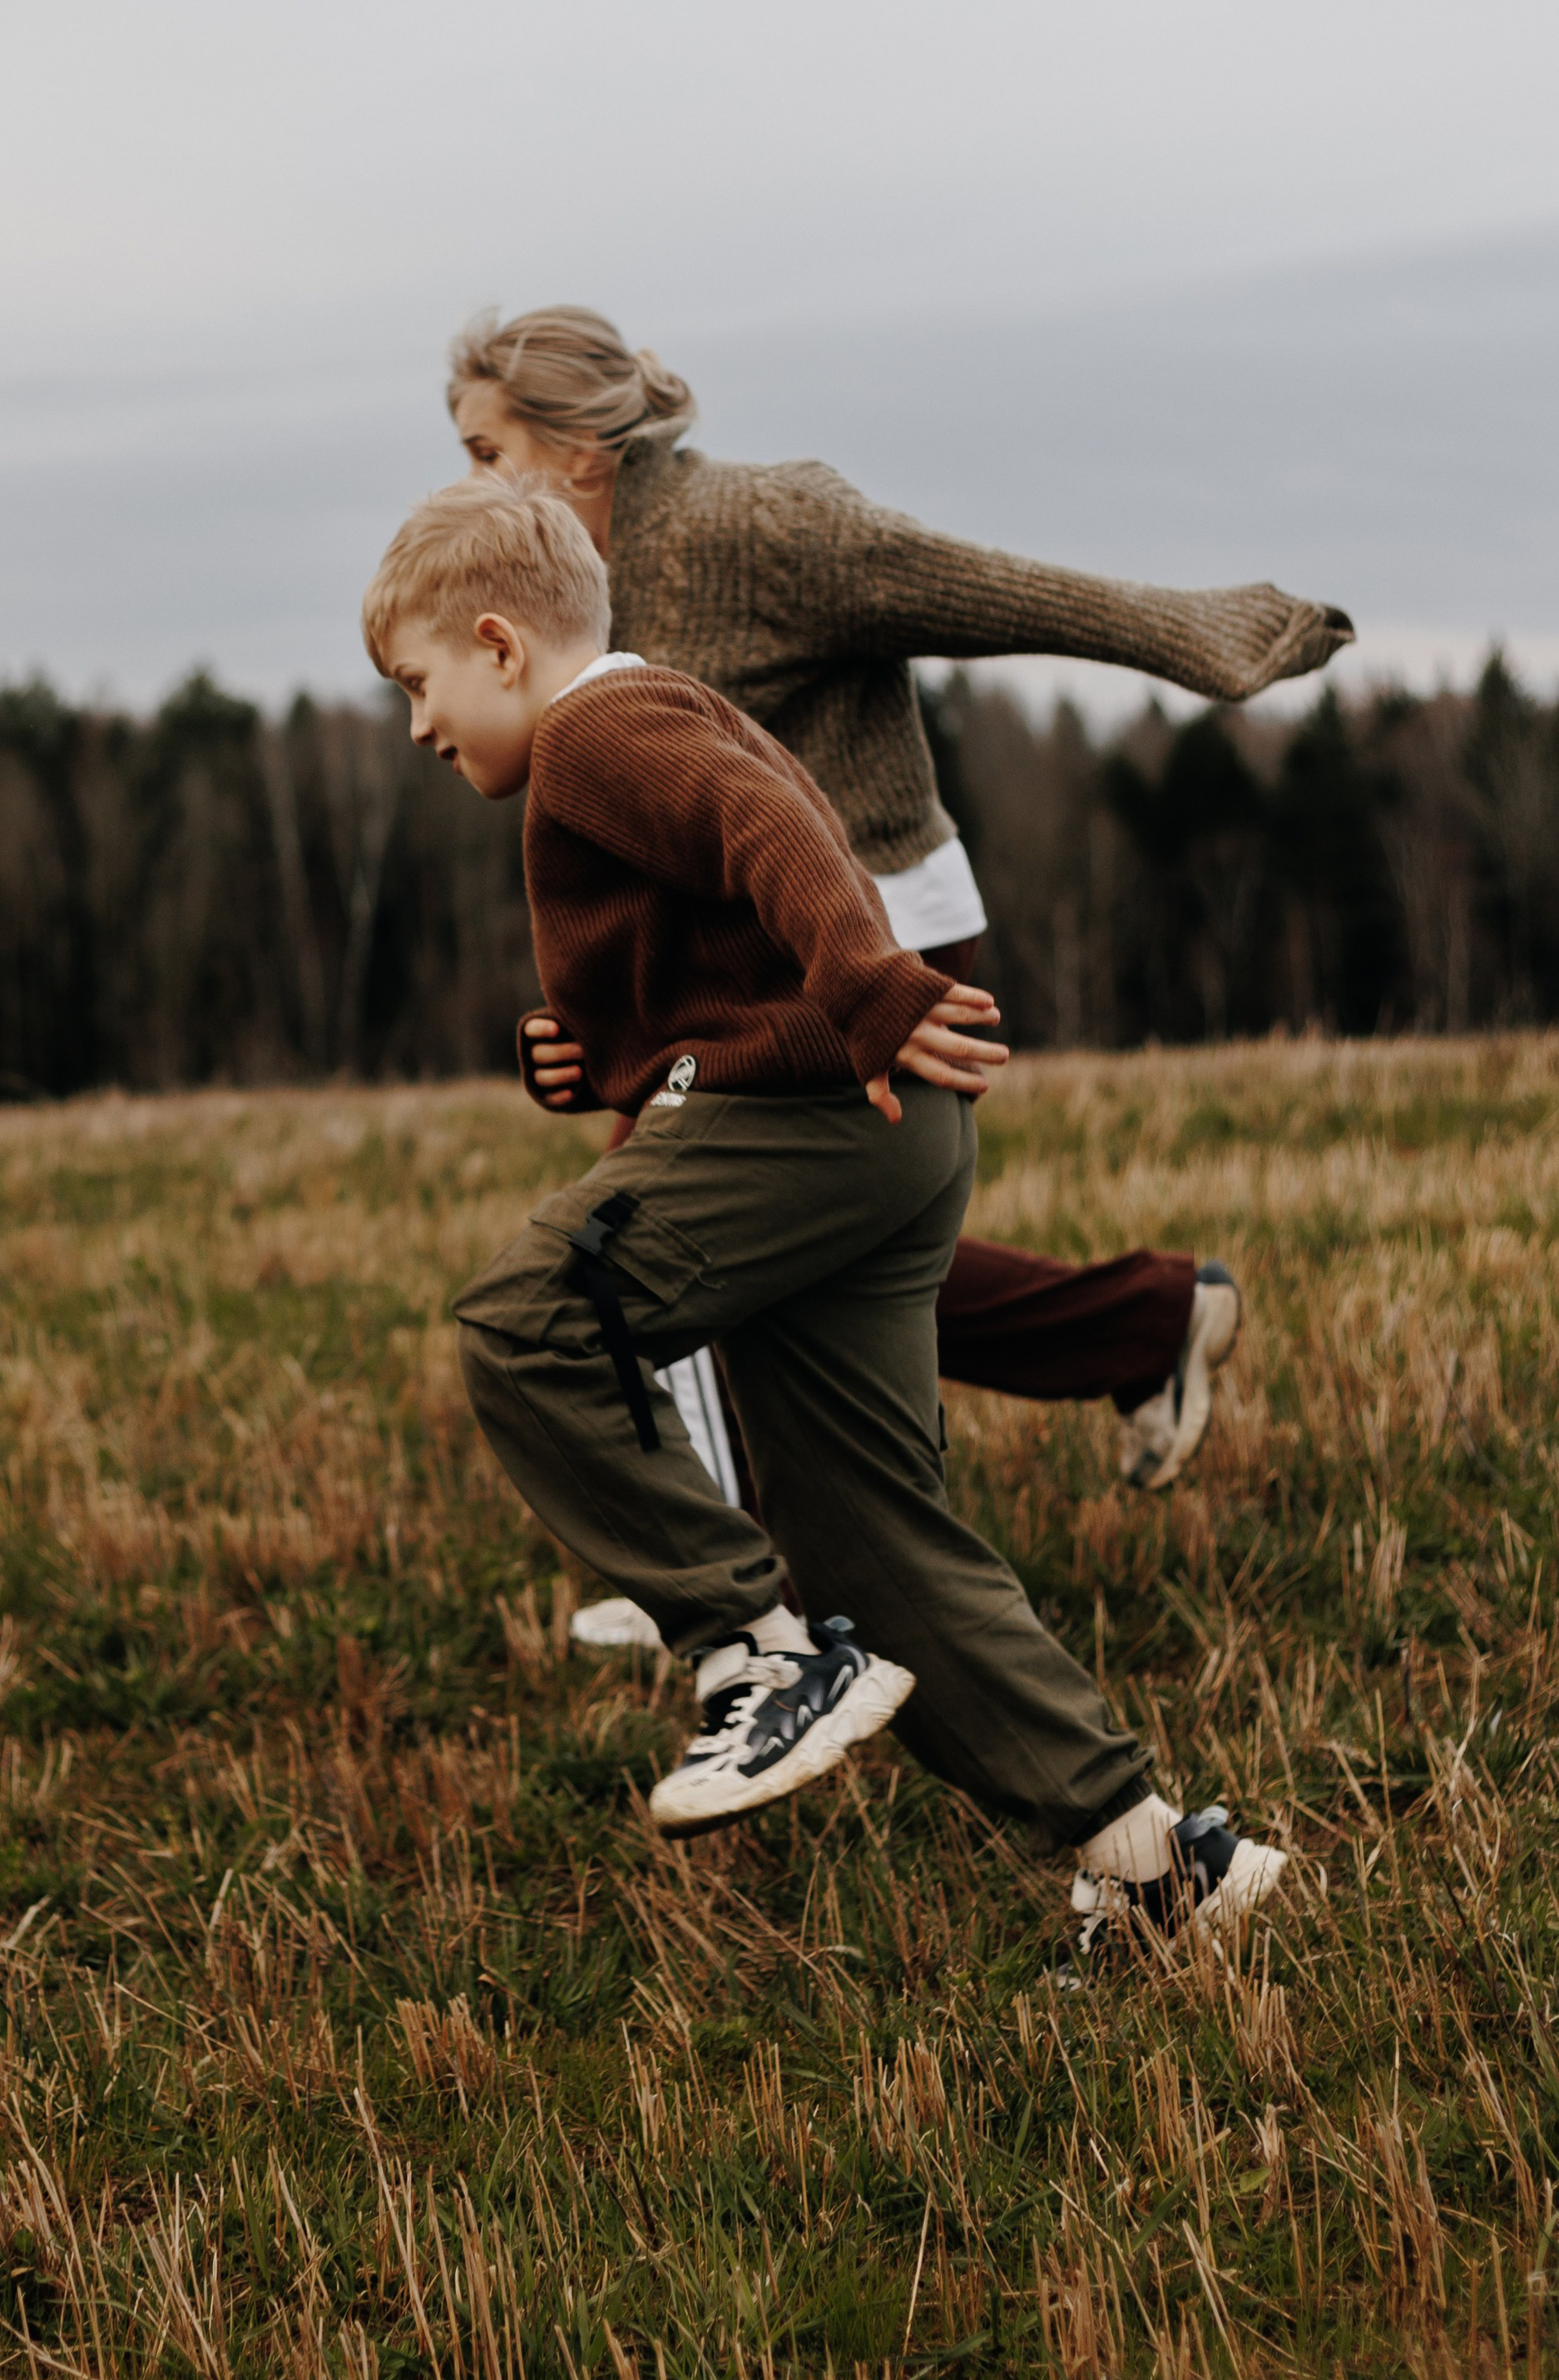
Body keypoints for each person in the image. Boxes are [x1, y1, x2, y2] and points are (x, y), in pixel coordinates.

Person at [361, 477, 1284, 1948]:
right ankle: (1165, 1866)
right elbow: (717, 933)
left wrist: (867, 992)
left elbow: (767, 829)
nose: (418, 726)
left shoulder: (598, 728)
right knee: (870, 1545)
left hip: (818, 1119)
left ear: (498, 644)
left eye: (419, 686)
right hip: (881, 1133)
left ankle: (753, 1653)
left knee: (530, 1317)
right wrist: (591, 1053)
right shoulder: (647, 711)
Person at [446, 304, 1349, 1589]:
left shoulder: (765, 525)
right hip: (745, 961)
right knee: (812, 1251)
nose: (468, 484)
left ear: (579, 450)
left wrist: (1206, 635)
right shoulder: (575, 586)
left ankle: (724, 1575)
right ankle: (1144, 1327)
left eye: (486, 452)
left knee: (689, 1239)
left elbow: (983, 588)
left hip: (880, 935)